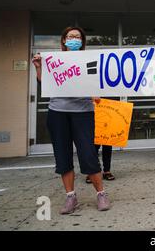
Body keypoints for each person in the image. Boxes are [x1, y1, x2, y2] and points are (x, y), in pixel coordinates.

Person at [32, 27, 110, 214]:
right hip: (57, 113)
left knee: (88, 154)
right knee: (62, 155)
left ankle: (101, 194)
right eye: (70, 36)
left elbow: (97, 83)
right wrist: (39, 67)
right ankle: (70, 197)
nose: (73, 39)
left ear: (82, 41)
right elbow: (45, 84)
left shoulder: (89, 61)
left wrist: (96, 95)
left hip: (83, 113)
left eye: (77, 36)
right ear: (64, 40)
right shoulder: (53, 60)